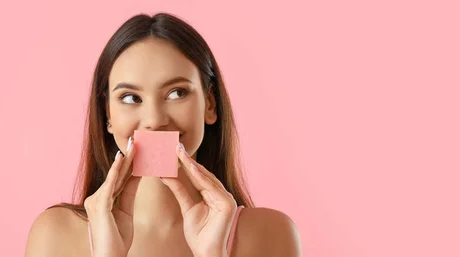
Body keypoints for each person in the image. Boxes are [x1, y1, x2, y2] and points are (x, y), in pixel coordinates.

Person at [25, 12, 301, 257]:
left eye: (176, 93)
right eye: (131, 98)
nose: (155, 120)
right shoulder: (55, 236)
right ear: (107, 115)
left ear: (210, 105)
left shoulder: (271, 235)